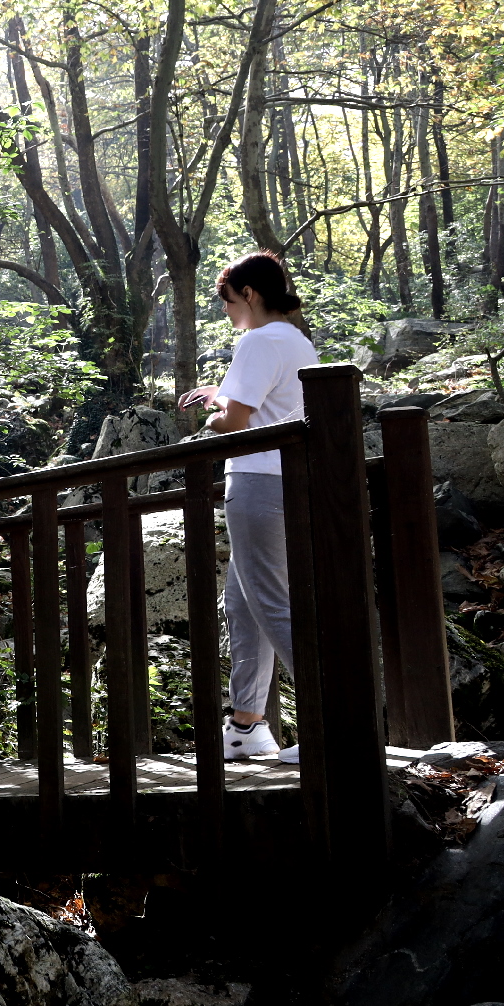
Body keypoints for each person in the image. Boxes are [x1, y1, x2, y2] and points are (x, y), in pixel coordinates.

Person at [178, 250, 319, 765]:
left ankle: (331, 720)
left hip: (260, 483)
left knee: (271, 602)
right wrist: (221, 396)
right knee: (244, 604)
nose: (227, 310)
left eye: (229, 300)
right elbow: (263, 406)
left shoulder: (259, 340)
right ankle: (246, 726)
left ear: (251, 295)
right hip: (283, 481)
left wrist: (208, 425)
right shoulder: (295, 340)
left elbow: (237, 424)